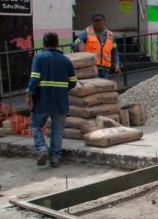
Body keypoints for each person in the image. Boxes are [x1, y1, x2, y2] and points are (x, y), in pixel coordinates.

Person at [26, 32, 77, 168]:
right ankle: (54, 158)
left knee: (35, 125)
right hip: (60, 101)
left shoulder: (39, 57)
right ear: (57, 43)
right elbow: (73, 82)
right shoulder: (66, 60)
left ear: (43, 44)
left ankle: (42, 149)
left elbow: (35, 77)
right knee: (57, 130)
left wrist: (29, 92)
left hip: (43, 100)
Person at [74, 13, 120, 79]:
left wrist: (116, 64)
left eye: (100, 20)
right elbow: (75, 44)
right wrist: (78, 47)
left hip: (105, 68)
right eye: (96, 21)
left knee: (103, 87)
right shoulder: (86, 33)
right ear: (92, 22)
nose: (98, 23)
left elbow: (115, 51)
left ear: (104, 21)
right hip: (91, 67)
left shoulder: (110, 35)